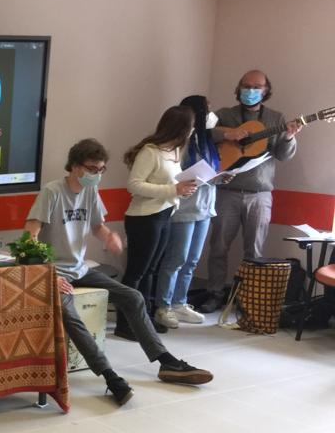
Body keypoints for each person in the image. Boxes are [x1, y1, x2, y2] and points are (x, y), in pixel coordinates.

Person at [24, 139, 214, 406]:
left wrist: (108, 236)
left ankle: (166, 361)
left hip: (80, 269)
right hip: (54, 272)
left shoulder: (91, 191)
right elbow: (30, 236)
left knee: (133, 297)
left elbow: (97, 226)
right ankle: (110, 377)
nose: (96, 175)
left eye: (101, 169)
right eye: (92, 169)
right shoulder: (52, 192)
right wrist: (48, 275)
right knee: (71, 316)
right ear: (75, 166)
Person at [202, 69, 302, 312]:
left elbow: (283, 155)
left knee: (254, 250)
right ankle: (214, 293)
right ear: (239, 88)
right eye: (246, 86)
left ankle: (248, 298)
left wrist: (289, 137)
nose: (251, 91)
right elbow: (202, 133)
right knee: (218, 247)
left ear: (266, 90)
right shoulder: (224, 114)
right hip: (226, 191)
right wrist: (228, 133)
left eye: (257, 87)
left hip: (260, 194)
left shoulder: (276, 118)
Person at [154, 96, 233, 328]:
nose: (211, 114)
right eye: (207, 109)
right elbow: (174, 174)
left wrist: (218, 178)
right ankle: (163, 306)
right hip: (184, 208)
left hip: (205, 207)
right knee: (176, 259)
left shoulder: (206, 139)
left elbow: (209, 169)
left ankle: (180, 302)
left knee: (192, 261)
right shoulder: (181, 142)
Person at [118, 106, 197, 337]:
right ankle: (125, 323)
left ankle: (144, 319)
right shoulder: (150, 151)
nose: (192, 131)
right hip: (144, 218)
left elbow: (171, 185)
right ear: (180, 128)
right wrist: (173, 189)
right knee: (137, 272)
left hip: (165, 215)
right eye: (190, 127)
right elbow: (134, 185)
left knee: (151, 271)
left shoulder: (174, 152)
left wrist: (182, 190)